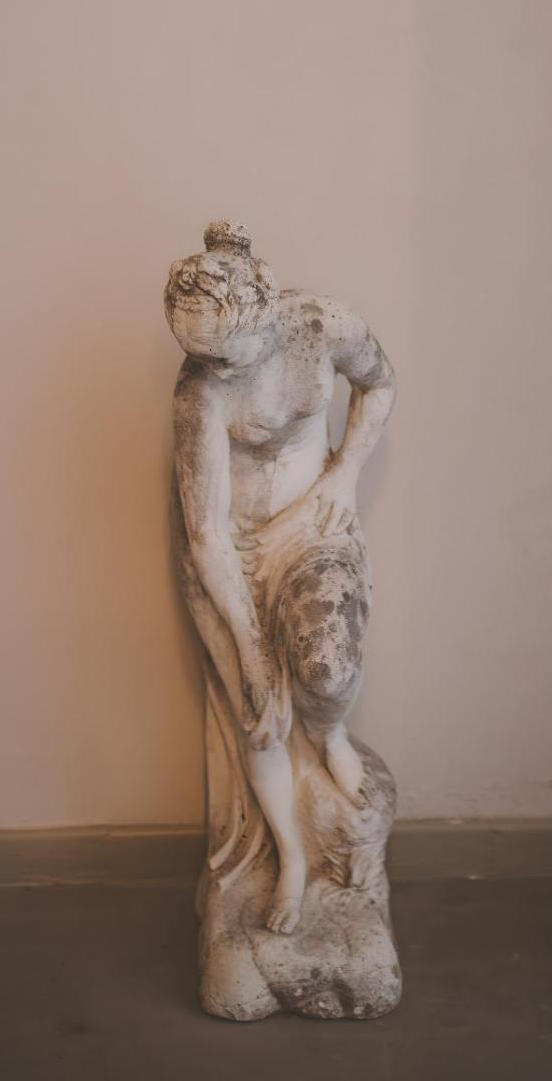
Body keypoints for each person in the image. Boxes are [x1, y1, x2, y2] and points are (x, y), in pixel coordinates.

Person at [166, 221, 395, 934]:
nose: (213, 369)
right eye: (200, 356)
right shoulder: (199, 393)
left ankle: (331, 738)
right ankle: (290, 858)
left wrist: (346, 475)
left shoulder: (322, 327)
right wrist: (253, 649)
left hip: (309, 526)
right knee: (260, 712)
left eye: (225, 354)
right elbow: (206, 533)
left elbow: (380, 384)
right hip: (228, 554)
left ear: (264, 320)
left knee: (328, 672)